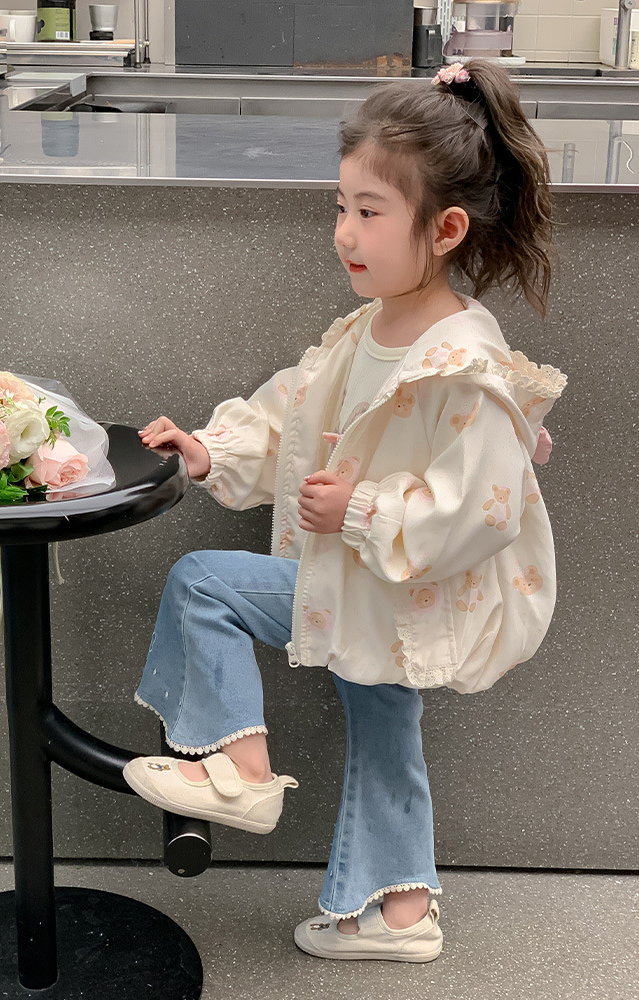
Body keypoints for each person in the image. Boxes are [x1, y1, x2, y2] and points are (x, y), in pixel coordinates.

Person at [122, 59, 566, 962]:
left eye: (370, 212)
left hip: (395, 588)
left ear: (444, 228)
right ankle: (399, 912)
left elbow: (480, 511)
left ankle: (240, 770)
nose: (345, 234)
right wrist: (211, 451)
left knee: (206, 583)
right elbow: (294, 414)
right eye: (340, 207)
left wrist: (359, 510)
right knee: (384, 733)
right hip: (359, 586)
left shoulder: (463, 364)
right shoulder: (370, 327)